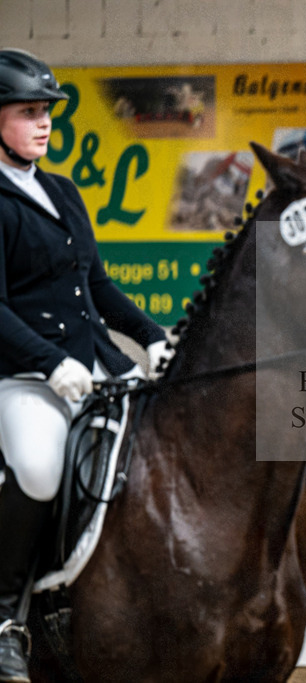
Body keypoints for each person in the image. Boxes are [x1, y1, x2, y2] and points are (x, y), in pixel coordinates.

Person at [0, 49, 172, 681]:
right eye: (27, 113)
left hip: (94, 365)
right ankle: (4, 618)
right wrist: (46, 364)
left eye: (46, 113)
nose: (43, 124)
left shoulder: (62, 191)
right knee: (42, 471)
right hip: (19, 377)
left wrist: (150, 337)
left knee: (153, 451)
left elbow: (96, 286)